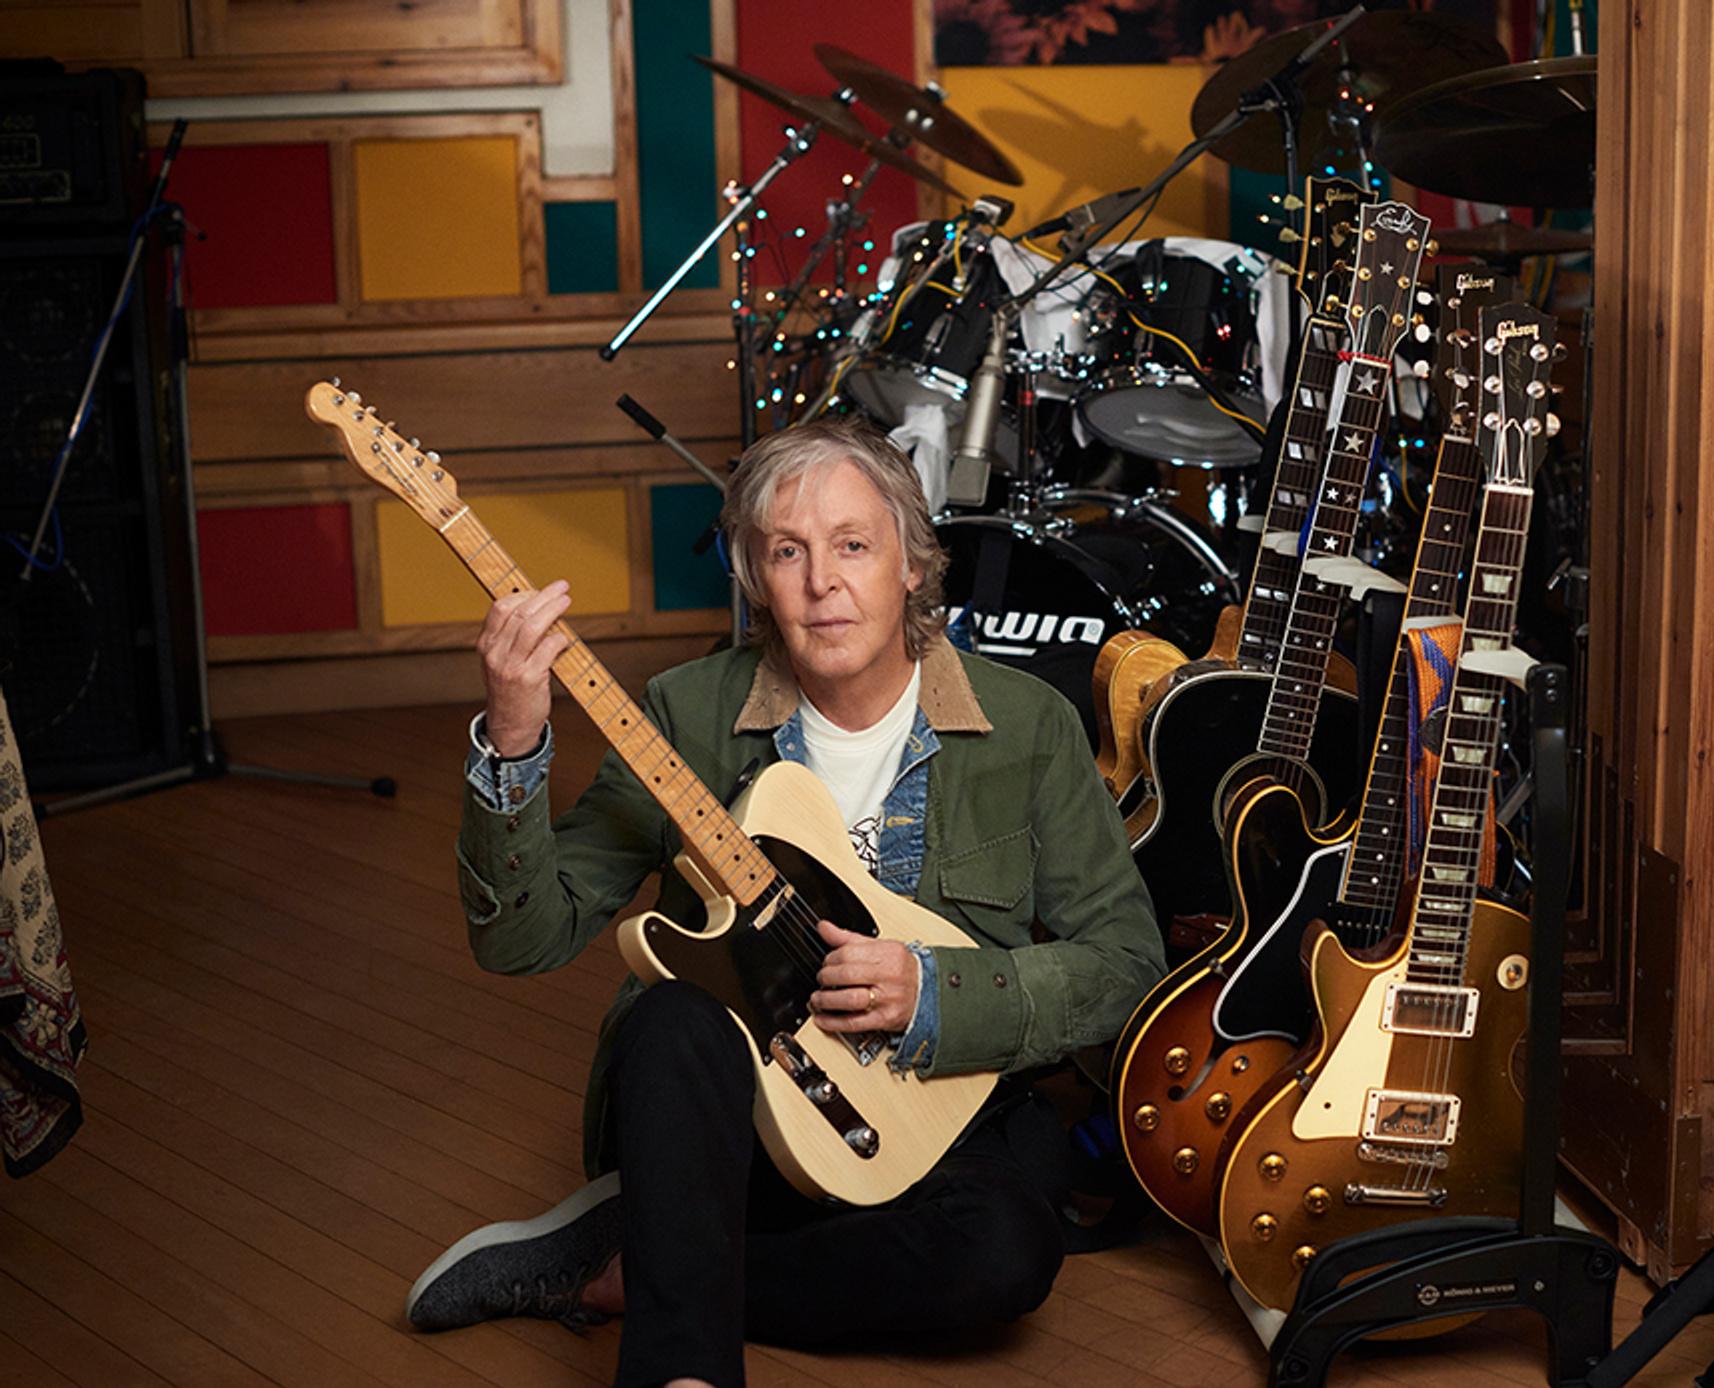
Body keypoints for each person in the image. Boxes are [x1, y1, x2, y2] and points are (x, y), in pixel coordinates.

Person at [404, 418, 1164, 1387]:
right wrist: (513, 741)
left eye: (853, 543)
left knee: (1004, 1256)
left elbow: (1127, 960)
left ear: (913, 565)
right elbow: (524, 938)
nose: (823, 580)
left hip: (924, 1107)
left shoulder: (1028, 725)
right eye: (787, 551)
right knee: (673, 1014)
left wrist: (936, 991)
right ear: (754, 576)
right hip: (737, 1114)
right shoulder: (682, 713)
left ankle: (632, 1270)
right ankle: (683, 1369)